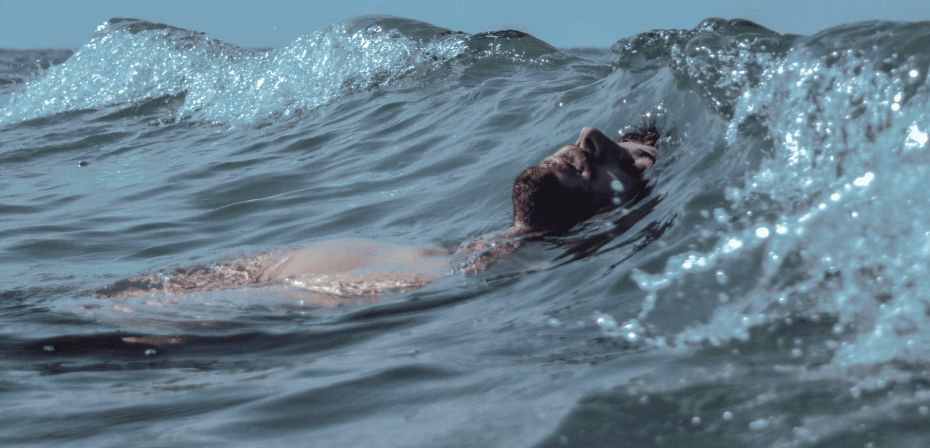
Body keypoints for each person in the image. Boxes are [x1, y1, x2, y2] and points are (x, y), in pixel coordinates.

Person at [100, 125, 660, 303]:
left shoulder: (527, 258)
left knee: (106, 330)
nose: (581, 140)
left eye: (591, 156)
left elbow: (615, 236)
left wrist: (627, 172)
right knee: (111, 300)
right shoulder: (484, 247)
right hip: (279, 274)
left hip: (309, 296)